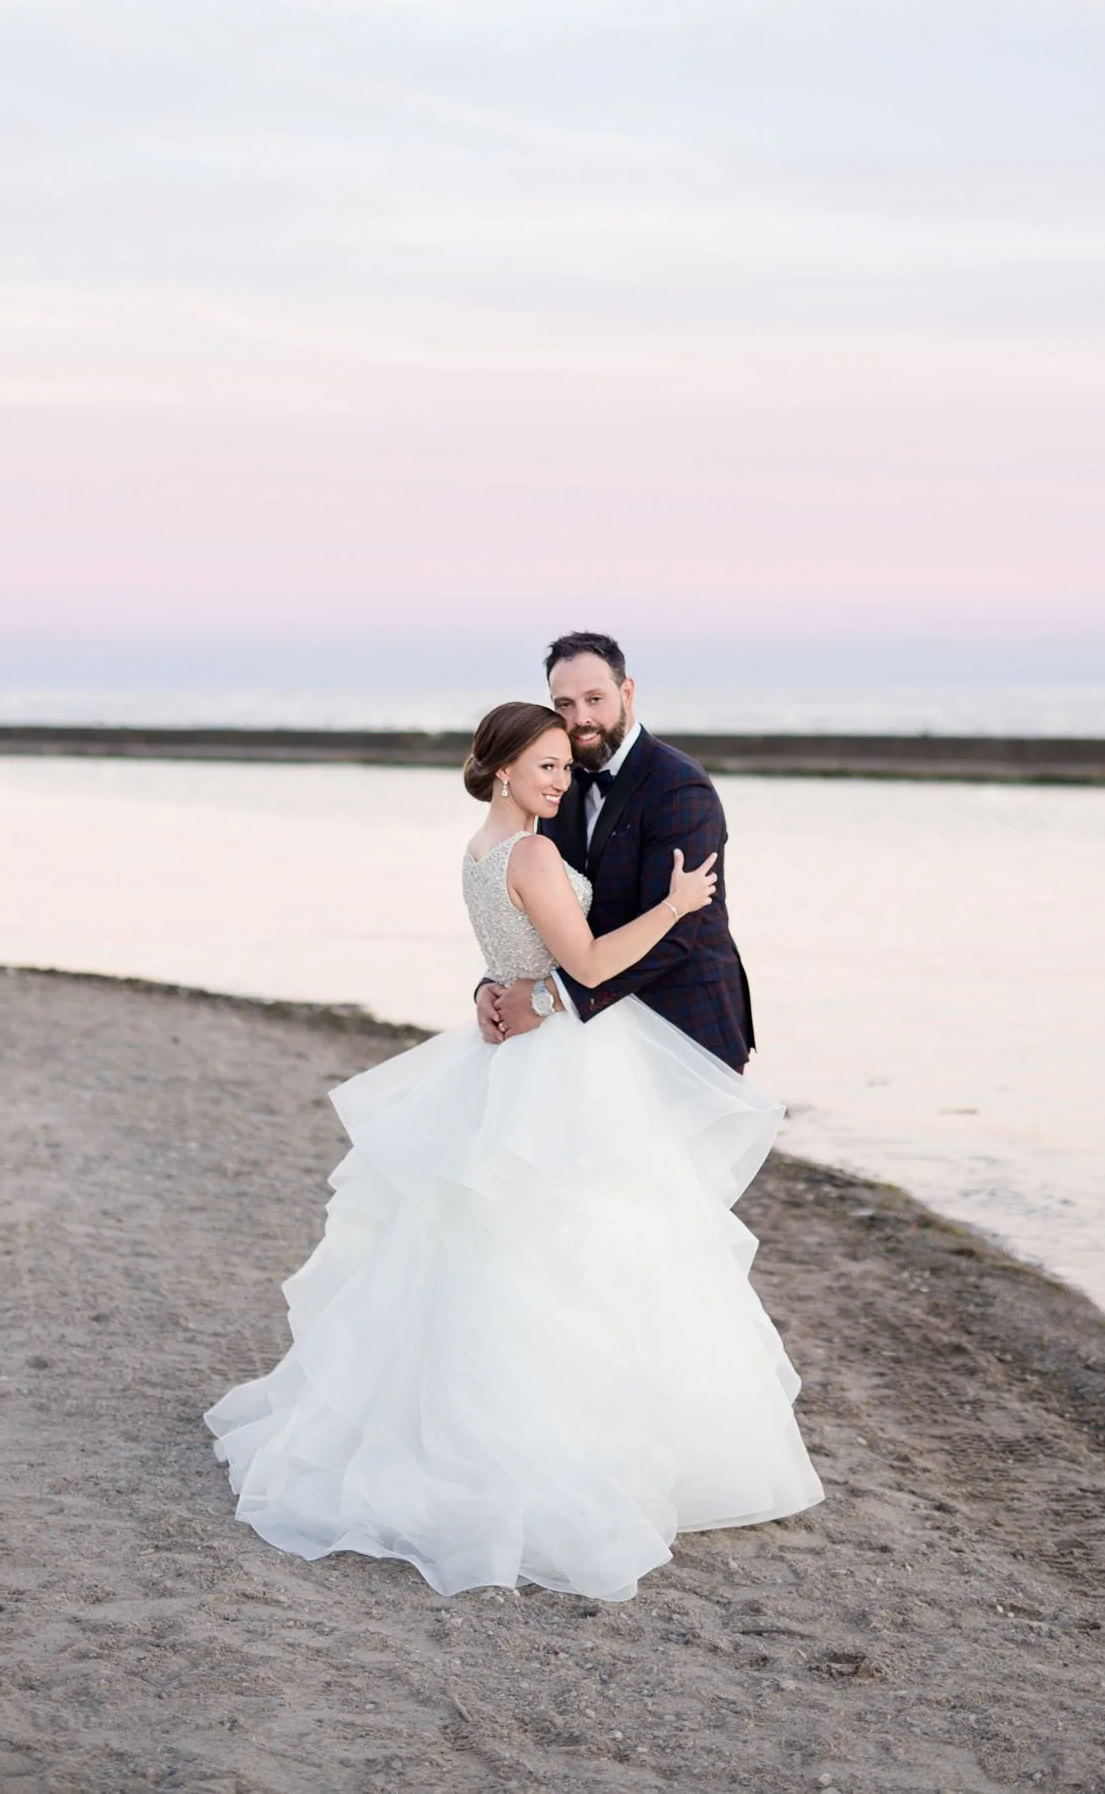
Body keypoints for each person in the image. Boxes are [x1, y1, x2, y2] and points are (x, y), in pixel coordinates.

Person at [205, 692, 822, 1602]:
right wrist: (678, 902)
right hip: (560, 1060)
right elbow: (592, 965)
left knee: (501, 1239)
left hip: (517, 1053)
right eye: (544, 766)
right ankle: (561, 1444)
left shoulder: (480, 850)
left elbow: (517, 954)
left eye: (565, 768)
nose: (559, 780)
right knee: (575, 1241)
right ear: (501, 770)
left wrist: (502, 986)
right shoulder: (531, 850)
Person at [477, 631, 754, 1069]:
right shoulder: (557, 786)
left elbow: (677, 934)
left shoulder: (678, 786)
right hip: (595, 1033)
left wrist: (548, 997)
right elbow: (544, 906)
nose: (580, 718)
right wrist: (494, 985)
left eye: (594, 699)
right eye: (564, 704)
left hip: (682, 1027)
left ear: (626, 692)